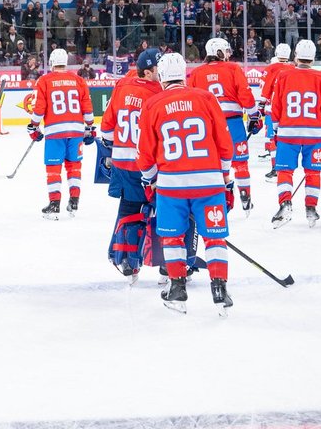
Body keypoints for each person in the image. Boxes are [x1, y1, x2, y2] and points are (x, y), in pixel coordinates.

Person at [136, 52, 235, 315]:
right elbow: (225, 144)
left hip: (171, 186)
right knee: (214, 237)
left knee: (173, 237)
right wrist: (226, 178)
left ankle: (177, 288)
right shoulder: (206, 98)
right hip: (209, 183)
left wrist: (151, 180)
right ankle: (219, 289)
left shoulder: (153, 104)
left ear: (162, 77)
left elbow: (145, 152)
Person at [98, 48, 162, 279]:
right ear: (147, 72)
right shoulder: (158, 91)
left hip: (120, 160)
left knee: (127, 207)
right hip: (144, 162)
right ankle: (137, 259)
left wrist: (110, 150)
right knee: (149, 210)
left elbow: (106, 127)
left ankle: (118, 252)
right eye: (158, 69)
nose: (161, 72)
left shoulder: (123, 86)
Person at [269, 40, 321, 228]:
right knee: (313, 171)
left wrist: (275, 129)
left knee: (284, 170)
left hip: (287, 132)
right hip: (314, 134)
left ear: (296, 56)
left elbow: (277, 105)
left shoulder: (283, 75)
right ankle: (311, 207)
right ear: (314, 58)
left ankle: (285, 203)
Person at [187, 38, 261, 214]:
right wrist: (254, 116)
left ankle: (216, 200)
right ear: (219, 51)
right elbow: (245, 93)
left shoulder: (196, 73)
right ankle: (245, 197)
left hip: (208, 126)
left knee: (213, 165)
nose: (229, 54)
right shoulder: (233, 68)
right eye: (226, 51)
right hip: (233, 123)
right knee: (240, 163)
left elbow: (191, 99)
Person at [28, 48, 94, 219]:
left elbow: (39, 108)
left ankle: (55, 203)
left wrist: (33, 126)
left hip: (55, 131)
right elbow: (87, 107)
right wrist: (90, 128)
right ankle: (74, 201)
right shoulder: (78, 80)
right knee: (74, 167)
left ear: (51, 62)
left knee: (53, 169)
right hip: (76, 130)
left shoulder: (45, 80)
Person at [256, 43, 293, 176]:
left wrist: (261, 106)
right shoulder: (293, 68)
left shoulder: (271, 68)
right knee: (286, 140)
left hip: (273, 110)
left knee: (273, 139)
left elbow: (265, 89)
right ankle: (286, 167)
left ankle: (275, 168)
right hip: (289, 111)